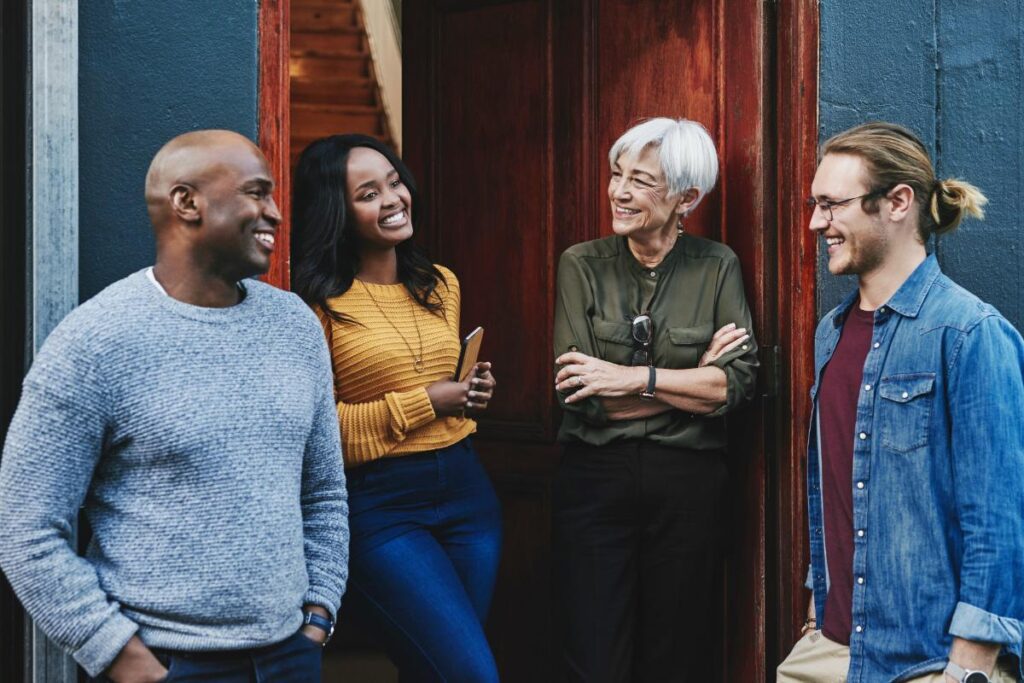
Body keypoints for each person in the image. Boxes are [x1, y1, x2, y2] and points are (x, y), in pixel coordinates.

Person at [0, 130, 348, 683]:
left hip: (290, 656)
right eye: (257, 193)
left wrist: (318, 614)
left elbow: (324, 490)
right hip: (169, 665)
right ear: (187, 202)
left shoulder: (296, 327)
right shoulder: (96, 341)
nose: (276, 213)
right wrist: (124, 659)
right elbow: (28, 534)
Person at [777, 122, 1024, 682]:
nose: (817, 223)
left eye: (831, 205)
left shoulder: (969, 333)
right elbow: (836, 483)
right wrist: (821, 600)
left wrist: (968, 669)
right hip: (834, 650)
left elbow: (999, 520)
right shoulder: (831, 334)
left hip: (930, 661)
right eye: (814, 205)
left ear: (897, 202)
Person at [552, 117, 759, 682]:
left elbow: (735, 386)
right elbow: (583, 397)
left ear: (685, 198)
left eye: (641, 181)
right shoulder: (581, 264)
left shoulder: (718, 266)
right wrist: (692, 378)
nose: (619, 191)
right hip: (596, 477)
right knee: (594, 655)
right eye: (617, 175)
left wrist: (631, 377)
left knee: (679, 653)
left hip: (689, 484)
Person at [291, 134, 502, 682]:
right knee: (469, 673)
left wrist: (467, 392)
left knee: (435, 671)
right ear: (337, 211)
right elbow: (316, 434)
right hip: (379, 506)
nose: (393, 198)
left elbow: (442, 393)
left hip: (466, 490)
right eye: (368, 193)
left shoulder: (440, 284)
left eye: (394, 182)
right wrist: (427, 400)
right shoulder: (314, 306)